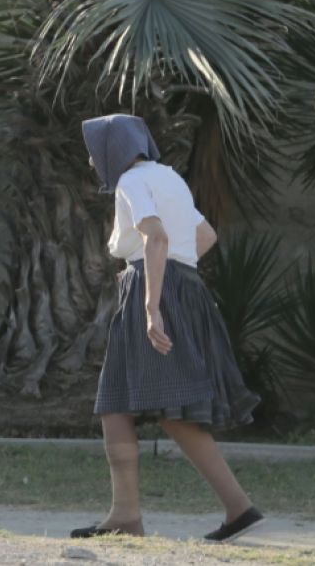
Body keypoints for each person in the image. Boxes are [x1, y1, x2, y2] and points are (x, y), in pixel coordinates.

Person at [71, 113, 264, 543]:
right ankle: (127, 515)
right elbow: (206, 235)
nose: (90, 158)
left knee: (151, 407)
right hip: (182, 286)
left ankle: (233, 507)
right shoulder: (169, 178)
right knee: (121, 403)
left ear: (111, 151)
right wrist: (178, 274)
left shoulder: (130, 182)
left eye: (94, 150)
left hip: (153, 285)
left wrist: (152, 302)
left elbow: (154, 238)